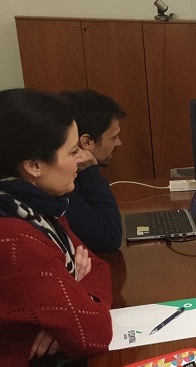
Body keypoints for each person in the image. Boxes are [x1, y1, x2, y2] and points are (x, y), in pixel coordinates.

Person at [0, 89, 114, 367]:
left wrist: (67, 300)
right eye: (73, 151)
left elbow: (98, 265)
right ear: (34, 165)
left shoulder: (33, 210)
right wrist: (71, 299)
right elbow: (94, 333)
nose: (83, 159)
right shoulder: (11, 237)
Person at [59, 89, 125, 252]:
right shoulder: (60, 184)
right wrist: (91, 172)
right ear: (87, 142)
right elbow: (109, 237)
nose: (119, 143)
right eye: (114, 137)